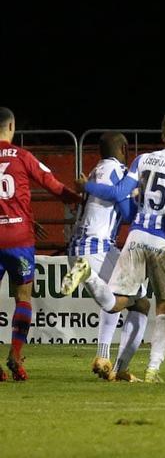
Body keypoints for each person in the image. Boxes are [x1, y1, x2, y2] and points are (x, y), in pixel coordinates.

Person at [66, 114, 165, 383]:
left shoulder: (139, 160)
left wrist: (87, 186)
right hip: (162, 240)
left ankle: (89, 278)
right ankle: (151, 369)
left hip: (131, 238)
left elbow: (118, 191)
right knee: (164, 308)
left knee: (122, 301)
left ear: (162, 136)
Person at [61, 132, 151, 381]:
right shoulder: (119, 172)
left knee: (125, 298)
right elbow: (128, 213)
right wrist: (136, 198)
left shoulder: (95, 171)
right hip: (97, 247)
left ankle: (104, 358)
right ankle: (121, 369)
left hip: (80, 247)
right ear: (123, 148)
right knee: (138, 302)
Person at [0, 107, 81, 382]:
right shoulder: (23, 156)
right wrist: (80, 199)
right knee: (23, 297)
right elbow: (53, 185)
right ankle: (15, 355)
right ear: (11, 127)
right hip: (19, 238)